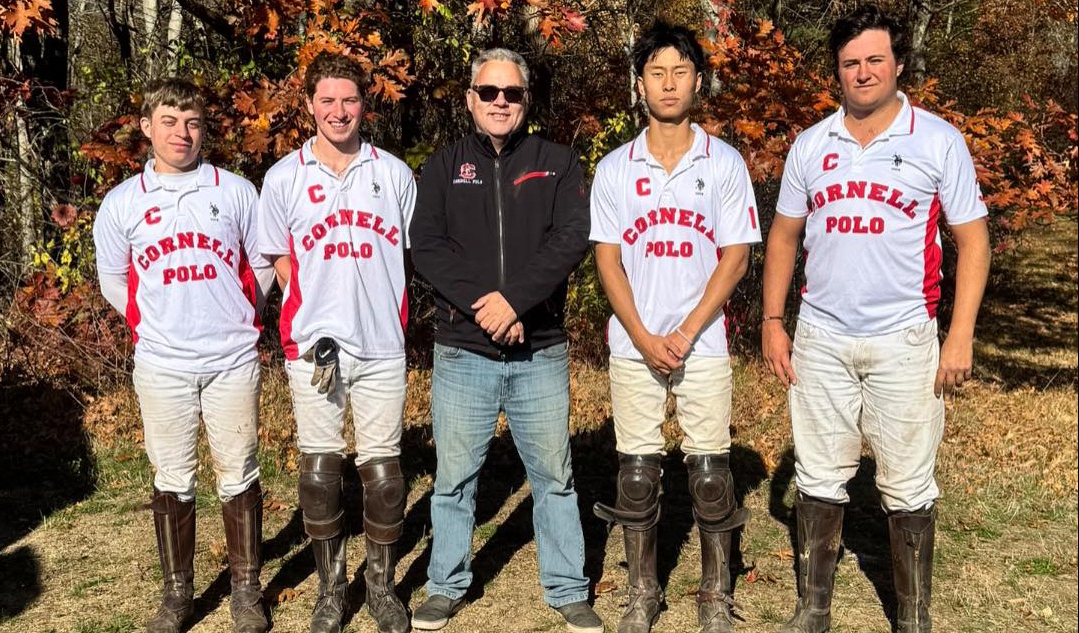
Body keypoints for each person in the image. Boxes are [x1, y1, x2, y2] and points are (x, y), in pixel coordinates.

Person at [761, 5, 991, 633]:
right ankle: (813, 610)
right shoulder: (812, 144)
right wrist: (774, 319)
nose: (862, 73)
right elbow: (783, 237)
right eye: (850, 63)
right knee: (817, 474)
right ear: (837, 71)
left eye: (874, 60)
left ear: (898, 64)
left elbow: (973, 241)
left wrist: (960, 334)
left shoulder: (937, 140)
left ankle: (912, 617)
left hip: (904, 338)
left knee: (909, 483)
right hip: (821, 337)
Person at [408, 48, 603, 633]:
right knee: (453, 480)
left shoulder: (558, 162)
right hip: (463, 350)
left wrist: (515, 301)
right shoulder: (442, 166)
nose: (500, 102)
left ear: (526, 100)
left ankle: (567, 588)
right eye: (489, 92)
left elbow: (571, 238)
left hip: (538, 348)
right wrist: (486, 307)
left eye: (511, 93)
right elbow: (426, 246)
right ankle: (445, 584)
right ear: (470, 99)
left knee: (554, 478)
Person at [589, 21, 762, 633]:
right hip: (633, 342)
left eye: (680, 72)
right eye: (656, 72)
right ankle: (643, 593)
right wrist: (642, 336)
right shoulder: (615, 168)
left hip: (703, 342)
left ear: (698, 81)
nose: (668, 83)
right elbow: (608, 260)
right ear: (639, 83)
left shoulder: (724, 162)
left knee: (710, 474)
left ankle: (715, 594)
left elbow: (735, 257)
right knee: (636, 475)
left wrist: (685, 332)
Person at [93, 78, 274, 633]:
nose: (182, 133)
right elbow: (113, 278)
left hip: (231, 358)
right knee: (172, 474)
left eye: (192, 123)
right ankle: (177, 595)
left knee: (238, 470)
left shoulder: (235, 191)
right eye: (169, 122)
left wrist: (242, 315)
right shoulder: (123, 202)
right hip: (163, 362)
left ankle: (246, 590)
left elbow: (261, 263)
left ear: (203, 129)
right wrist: (151, 323)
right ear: (147, 127)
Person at [256, 51, 417, 633]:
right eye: (327, 100)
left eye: (349, 100)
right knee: (320, 471)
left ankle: (381, 588)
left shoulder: (393, 174)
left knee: (384, 473)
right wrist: (312, 307)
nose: (339, 111)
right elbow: (276, 257)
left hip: (380, 344)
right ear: (309, 105)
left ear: (365, 105)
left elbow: (410, 255)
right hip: (314, 347)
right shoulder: (284, 177)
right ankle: (331, 590)